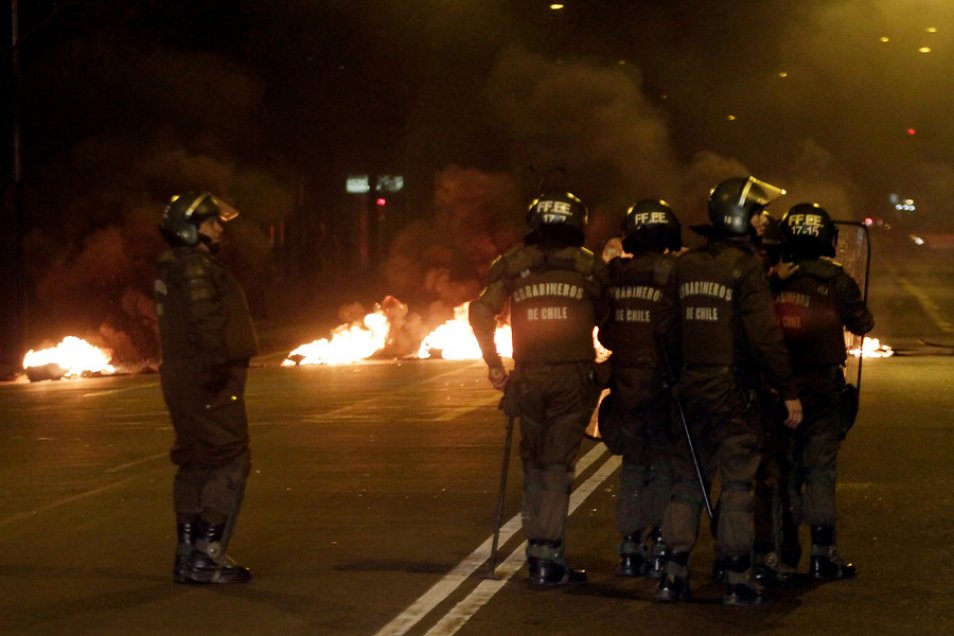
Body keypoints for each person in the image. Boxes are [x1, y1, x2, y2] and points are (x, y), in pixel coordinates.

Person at [655, 176, 803, 606]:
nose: (762, 220)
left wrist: (676, 379)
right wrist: (788, 390)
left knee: (686, 482)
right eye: (758, 212)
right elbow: (764, 337)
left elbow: (664, 329)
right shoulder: (747, 268)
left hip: (689, 391)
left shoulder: (685, 266)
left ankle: (672, 574)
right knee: (738, 485)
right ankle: (737, 578)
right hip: (734, 395)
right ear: (740, 217)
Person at [469, 191, 609, 587]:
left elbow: (480, 310)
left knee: (533, 464)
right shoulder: (588, 266)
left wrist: (494, 365)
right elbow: (611, 317)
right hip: (571, 378)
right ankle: (549, 556)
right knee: (556, 466)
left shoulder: (513, 263)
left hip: (528, 376)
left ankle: (536, 552)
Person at [155, 191, 259, 584]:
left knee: (195, 463)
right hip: (207, 382)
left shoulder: (172, 266)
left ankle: (187, 554)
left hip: (183, 379)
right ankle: (207, 556)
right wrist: (218, 376)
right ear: (188, 229)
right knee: (230, 460)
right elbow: (206, 326)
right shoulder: (197, 269)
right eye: (211, 222)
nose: (218, 228)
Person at [774, 202, 875, 580]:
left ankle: (783, 554)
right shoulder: (836, 280)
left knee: (785, 469)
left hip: (779, 386)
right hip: (820, 387)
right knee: (819, 468)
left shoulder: (772, 278)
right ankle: (822, 554)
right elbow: (863, 322)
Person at [596, 199, 680, 578]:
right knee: (663, 465)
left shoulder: (617, 275)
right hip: (665, 384)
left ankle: (629, 548)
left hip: (626, 383)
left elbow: (606, 331)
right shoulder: (677, 273)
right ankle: (660, 543)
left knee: (632, 465)